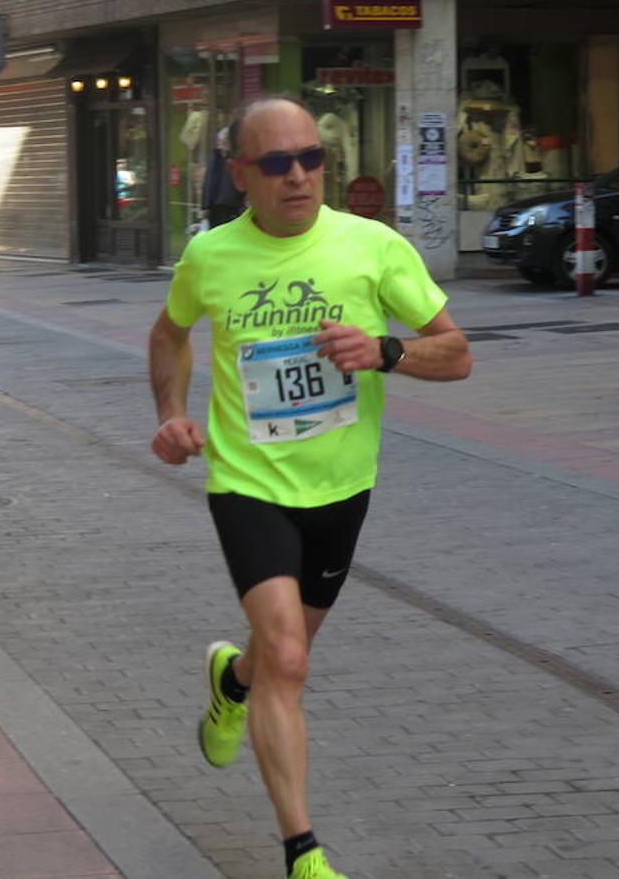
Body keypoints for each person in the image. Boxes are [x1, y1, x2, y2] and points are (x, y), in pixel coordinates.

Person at [148, 95, 472, 879]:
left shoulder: (373, 247)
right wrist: (171, 414)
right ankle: (304, 851)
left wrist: (385, 352)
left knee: (274, 660)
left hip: (341, 485)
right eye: (277, 163)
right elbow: (169, 332)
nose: (298, 176)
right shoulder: (211, 256)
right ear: (240, 175)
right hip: (247, 479)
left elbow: (457, 353)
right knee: (289, 658)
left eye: (311, 159)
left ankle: (231, 682)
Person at [201, 125, 246, 228]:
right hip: (215, 206)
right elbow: (208, 182)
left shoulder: (236, 158)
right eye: (220, 141)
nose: (221, 144)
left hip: (232, 206)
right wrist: (205, 205)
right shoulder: (215, 158)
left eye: (224, 141)